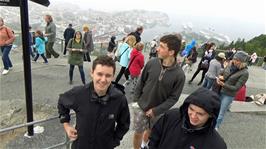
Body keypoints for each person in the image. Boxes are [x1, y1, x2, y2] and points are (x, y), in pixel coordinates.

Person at [58, 55, 130, 149]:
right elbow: (62, 102)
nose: (103, 80)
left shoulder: (119, 99)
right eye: (99, 74)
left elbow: (124, 124)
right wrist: (66, 125)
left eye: (108, 76)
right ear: (92, 73)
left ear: (113, 77)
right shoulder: (79, 93)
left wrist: (114, 141)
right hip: (80, 146)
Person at [133, 34, 185, 149]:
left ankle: (143, 145)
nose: (157, 49)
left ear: (171, 52)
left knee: (151, 130)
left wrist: (156, 110)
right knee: (137, 133)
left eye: (161, 46)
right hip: (141, 106)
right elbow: (140, 82)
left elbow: (174, 97)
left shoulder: (179, 75)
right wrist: (136, 101)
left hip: (159, 111)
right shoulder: (152, 63)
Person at [148, 87, 227, 149]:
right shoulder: (171, 116)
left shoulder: (217, 145)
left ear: (211, 115)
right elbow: (155, 136)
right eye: (191, 109)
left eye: (200, 114)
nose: (193, 116)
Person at [215, 51, 249, 129]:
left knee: (221, 112)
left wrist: (224, 85)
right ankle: (211, 123)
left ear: (242, 62)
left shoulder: (245, 73)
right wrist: (219, 76)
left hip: (228, 95)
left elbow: (236, 88)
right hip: (219, 90)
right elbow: (222, 72)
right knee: (215, 108)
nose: (235, 61)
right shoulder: (230, 64)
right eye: (234, 59)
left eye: (237, 60)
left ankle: (216, 127)